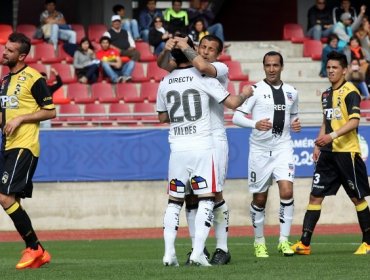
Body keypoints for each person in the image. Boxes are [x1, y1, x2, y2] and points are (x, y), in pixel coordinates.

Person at [157, 34, 252, 267]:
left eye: (211, 49)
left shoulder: (218, 68)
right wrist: (166, 48)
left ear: (218, 54)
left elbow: (199, 64)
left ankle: (222, 247)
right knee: (190, 197)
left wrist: (184, 47)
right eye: (203, 47)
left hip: (214, 139)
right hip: (194, 140)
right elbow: (163, 64)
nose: (207, 51)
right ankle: (196, 248)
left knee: (214, 194)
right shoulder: (189, 72)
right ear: (197, 47)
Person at [291, 51, 370, 255]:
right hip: (328, 153)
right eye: (328, 68)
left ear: (344, 70)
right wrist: (318, 144)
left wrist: (331, 136)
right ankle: (304, 244)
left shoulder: (351, 91)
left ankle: (368, 242)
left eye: (335, 68)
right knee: (315, 196)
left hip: (347, 153)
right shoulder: (326, 94)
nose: (331, 71)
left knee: (357, 198)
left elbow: (354, 121)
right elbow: (326, 121)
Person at [232, 51, 301, 258]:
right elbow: (236, 117)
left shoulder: (292, 92)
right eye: (268, 65)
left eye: (275, 65)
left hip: (283, 148)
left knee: (287, 192)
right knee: (260, 199)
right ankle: (259, 241)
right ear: (263, 67)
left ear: (282, 67)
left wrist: (296, 124)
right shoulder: (254, 90)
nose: (272, 69)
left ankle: (283, 241)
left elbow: (294, 115)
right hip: (260, 152)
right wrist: (255, 123)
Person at [0, 32, 56, 269]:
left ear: (22, 56)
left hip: (24, 145)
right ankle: (38, 250)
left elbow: (50, 111)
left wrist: (22, 118)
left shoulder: (33, 78)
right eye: (5, 48)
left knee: (4, 196)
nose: (4, 52)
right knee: (10, 199)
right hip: (8, 146)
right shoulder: (5, 81)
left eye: (10, 50)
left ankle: (34, 248)